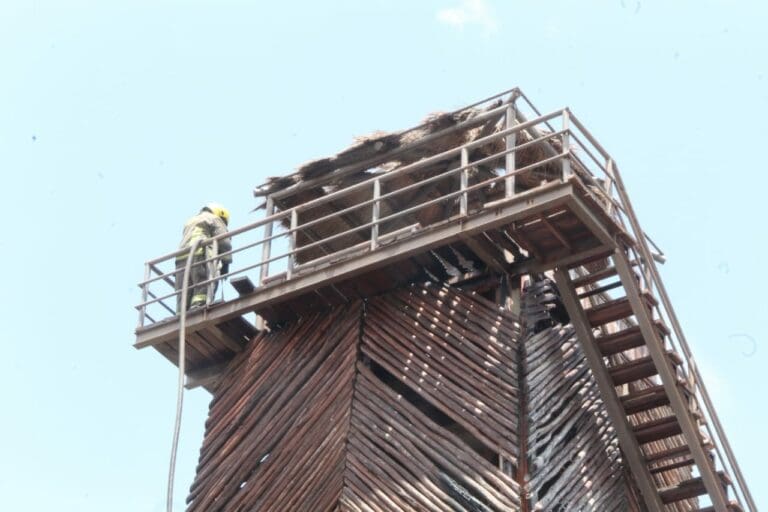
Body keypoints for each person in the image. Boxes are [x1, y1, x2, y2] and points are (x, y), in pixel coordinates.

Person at [175, 203, 232, 310]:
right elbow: (225, 242)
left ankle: (181, 314)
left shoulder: (191, 221)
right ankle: (200, 307)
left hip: (181, 259)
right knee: (204, 283)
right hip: (201, 253)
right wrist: (226, 263)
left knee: (184, 291)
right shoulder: (214, 219)